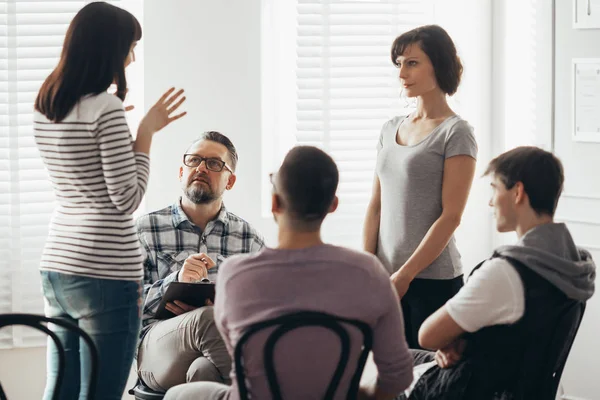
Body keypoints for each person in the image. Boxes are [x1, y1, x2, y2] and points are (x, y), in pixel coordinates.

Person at [164, 146, 414, 400]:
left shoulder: (234, 276)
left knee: (177, 395)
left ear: (275, 203)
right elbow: (398, 377)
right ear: (332, 205)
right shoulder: (369, 272)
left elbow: (240, 359)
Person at [33, 2, 186, 399]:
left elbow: (82, 180)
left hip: (58, 264)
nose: (133, 57)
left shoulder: (47, 106)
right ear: (110, 48)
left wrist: (121, 133)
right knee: (100, 392)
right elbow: (126, 199)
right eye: (130, 47)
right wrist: (145, 133)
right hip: (105, 270)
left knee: (61, 390)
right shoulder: (107, 107)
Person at [406, 146, 596, 399]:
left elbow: (427, 335)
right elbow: (518, 338)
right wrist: (466, 342)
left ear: (517, 192)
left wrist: (455, 340)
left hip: (466, 390)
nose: (490, 201)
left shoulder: (507, 272)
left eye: (494, 188)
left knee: (379, 361)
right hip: (517, 389)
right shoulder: (575, 264)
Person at [363, 24, 478, 348]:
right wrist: (370, 265)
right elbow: (376, 205)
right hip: (387, 278)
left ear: (438, 65)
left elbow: (451, 216)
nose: (402, 73)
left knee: (427, 384)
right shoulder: (389, 129)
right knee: (385, 381)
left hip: (432, 282)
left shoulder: (456, 133)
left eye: (412, 63)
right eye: (399, 63)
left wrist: (406, 274)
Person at [135, 131, 265, 392]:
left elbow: (263, 311)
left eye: (214, 164)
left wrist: (228, 310)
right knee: (206, 318)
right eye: (194, 160)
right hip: (156, 350)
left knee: (203, 370)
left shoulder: (249, 238)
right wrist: (175, 283)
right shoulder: (145, 229)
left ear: (230, 181)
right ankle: (265, 391)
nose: (202, 168)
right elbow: (124, 308)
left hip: (219, 347)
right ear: (181, 171)